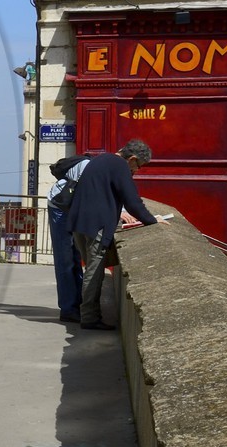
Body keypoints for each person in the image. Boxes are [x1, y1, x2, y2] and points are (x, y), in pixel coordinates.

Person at [66, 138, 159, 330]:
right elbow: (133, 201)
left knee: (90, 269)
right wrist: (154, 221)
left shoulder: (102, 159)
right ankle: (90, 318)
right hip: (97, 224)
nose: (137, 171)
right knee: (95, 271)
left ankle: (89, 314)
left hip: (79, 222)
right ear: (132, 158)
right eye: (138, 166)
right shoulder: (120, 166)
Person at [45, 152, 91, 322]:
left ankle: (75, 304)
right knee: (65, 258)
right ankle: (68, 308)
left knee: (75, 255)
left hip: (69, 207)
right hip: (60, 207)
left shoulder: (100, 166)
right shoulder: (89, 167)